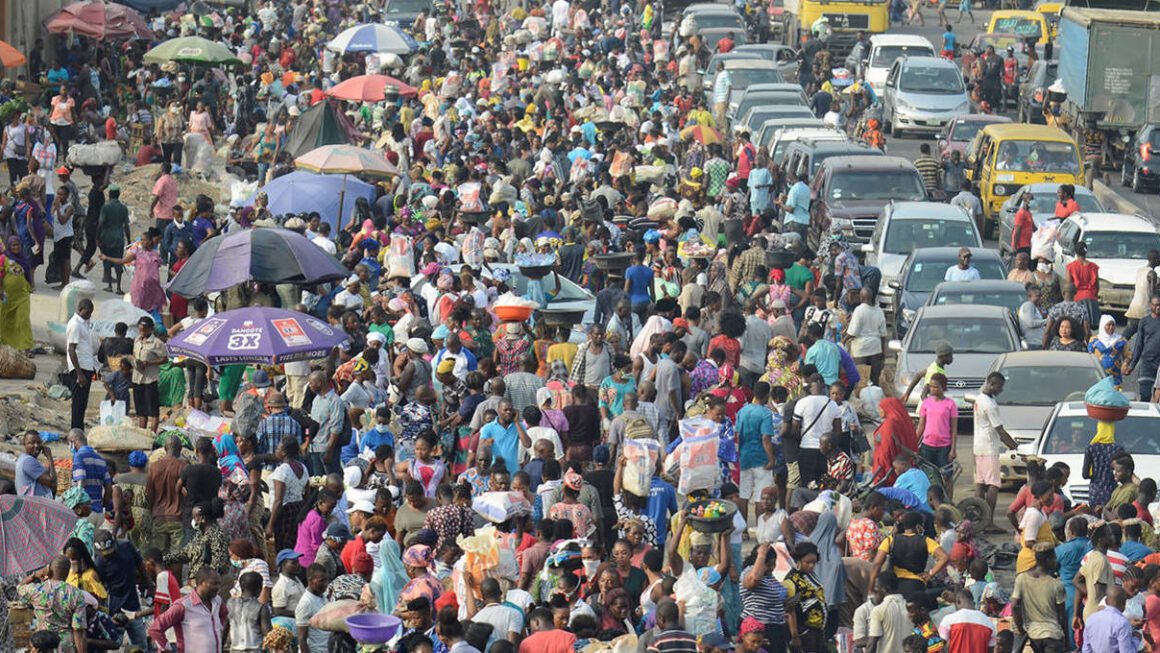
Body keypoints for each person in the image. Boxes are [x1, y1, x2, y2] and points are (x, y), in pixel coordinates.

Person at [973, 372, 1018, 533]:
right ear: (992, 384)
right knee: (993, 485)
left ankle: (978, 519)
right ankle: (988, 522)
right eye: (999, 386)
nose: (1000, 390)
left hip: (978, 445)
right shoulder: (989, 405)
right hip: (989, 447)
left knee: (980, 483)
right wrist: (1015, 446)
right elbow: (1000, 430)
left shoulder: (980, 398)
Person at [148, 568, 230, 653]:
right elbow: (155, 629)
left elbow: (225, 617)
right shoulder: (183, 605)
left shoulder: (218, 601)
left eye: (219, 584)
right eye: (214, 584)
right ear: (202, 582)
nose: (218, 588)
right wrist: (166, 648)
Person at [17, 556, 87, 653]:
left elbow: (19, 588)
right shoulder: (76, 594)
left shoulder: (36, 590)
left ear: (49, 569)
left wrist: (34, 575)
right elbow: (78, 630)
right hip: (64, 644)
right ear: (67, 573)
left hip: (42, 643)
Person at [1079, 586, 1134, 653]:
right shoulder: (1122, 623)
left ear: (1105, 601)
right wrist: (1136, 639)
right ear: (1124, 603)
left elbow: (1086, 649)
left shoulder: (1090, 619)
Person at [16, 430, 57, 498]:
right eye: (32, 443)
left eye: (38, 442)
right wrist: (50, 458)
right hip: (34, 503)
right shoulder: (29, 461)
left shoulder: (24, 458)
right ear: (24, 444)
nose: (36, 445)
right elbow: (52, 482)